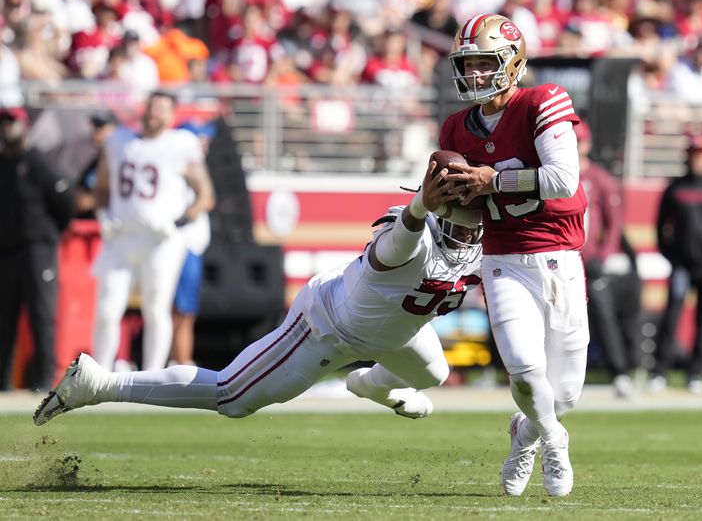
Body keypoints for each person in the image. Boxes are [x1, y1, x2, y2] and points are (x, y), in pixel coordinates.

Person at [33, 161, 483, 427]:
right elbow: (396, 245)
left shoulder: (482, 246)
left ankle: (368, 385)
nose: (467, 234)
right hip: (329, 327)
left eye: (473, 223)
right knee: (232, 397)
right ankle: (99, 384)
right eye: (457, 221)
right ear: (434, 210)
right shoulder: (412, 235)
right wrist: (419, 205)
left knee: (433, 375)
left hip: (396, 328)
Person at [440, 14, 589, 497]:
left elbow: (564, 179)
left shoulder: (544, 101)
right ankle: (554, 439)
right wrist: (439, 203)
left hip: (559, 257)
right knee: (525, 369)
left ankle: (525, 434)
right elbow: (465, 209)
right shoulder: (456, 130)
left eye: (486, 63)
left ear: (514, 61)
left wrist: (492, 180)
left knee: (564, 392)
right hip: (502, 258)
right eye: (469, 65)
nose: (476, 75)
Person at [91, 91, 215, 372]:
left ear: (172, 115)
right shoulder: (118, 140)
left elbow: (205, 194)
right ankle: (97, 375)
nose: (153, 113)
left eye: (160, 109)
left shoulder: (180, 144)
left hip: (161, 240)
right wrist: (102, 215)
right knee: (106, 309)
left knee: (157, 310)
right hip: (121, 236)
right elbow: (101, 185)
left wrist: (178, 223)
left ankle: (151, 376)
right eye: (150, 107)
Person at [649, 132, 702, 395]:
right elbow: (660, 226)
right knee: (672, 316)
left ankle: (696, 373)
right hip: (681, 266)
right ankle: (660, 372)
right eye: (693, 155)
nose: (697, 160)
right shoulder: (676, 188)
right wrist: (671, 256)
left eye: (701, 155)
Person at [0, 106, 74, 391]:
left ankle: (45, 383)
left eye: (12, 122)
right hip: (6, 253)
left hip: (36, 250)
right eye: (4, 123)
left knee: (41, 316)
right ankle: (2, 385)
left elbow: (64, 202)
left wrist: (49, 233)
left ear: (25, 125)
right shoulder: (3, 164)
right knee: (4, 321)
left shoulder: (39, 163)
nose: (7, 128)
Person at [577, 123, 634, 398]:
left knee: (603, 314)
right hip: (559, 258)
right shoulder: (552, 174)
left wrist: (605, 254)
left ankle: (619, 372)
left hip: (589, 261)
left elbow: (614, 224)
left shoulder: (598, 179)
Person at [170, 121, 217, 366]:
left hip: (191, 244)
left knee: (184, 310)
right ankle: (181, 360)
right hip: (182, 244)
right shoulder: (183, 165)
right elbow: (207, 199)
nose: (205, 143)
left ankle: (178, 360)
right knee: (181, 311)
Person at [74, 111, 118, 219]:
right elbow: (81, 187)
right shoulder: (95, 161)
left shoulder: (121, 161)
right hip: (90, 225)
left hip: (113, 225)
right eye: (94, 126)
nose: (96, 131)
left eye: (101, 126)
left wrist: (93, 201)